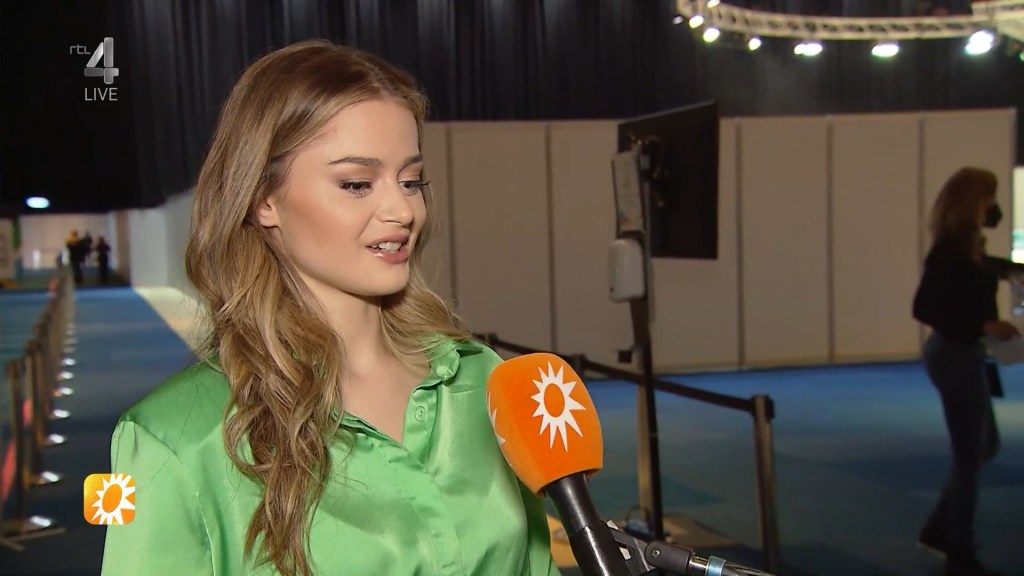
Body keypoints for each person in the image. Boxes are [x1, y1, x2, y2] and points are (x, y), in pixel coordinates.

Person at [101, 40, 560, 576]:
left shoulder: (483, 381)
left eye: (411, 181)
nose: (402, 209)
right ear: (263, 199)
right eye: (357, 184)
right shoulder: (171, 439)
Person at [912, 166, 1020, 576]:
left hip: (965, 354)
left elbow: (977, 273)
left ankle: (940, 528)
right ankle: (959, 549)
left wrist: (1010, 271)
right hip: (954, 356)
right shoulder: (950, 250)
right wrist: (983, 324)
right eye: (990, 198)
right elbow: (925, 307)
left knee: (983, 445)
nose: (994, 206)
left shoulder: (968, 248)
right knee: (969, 454)